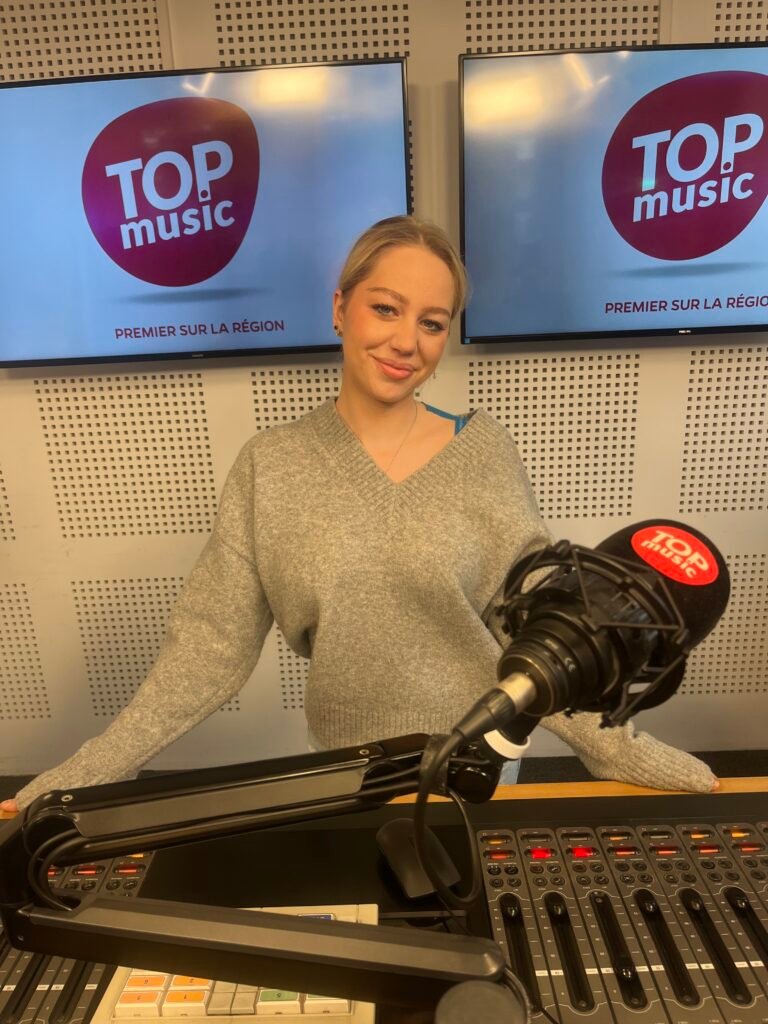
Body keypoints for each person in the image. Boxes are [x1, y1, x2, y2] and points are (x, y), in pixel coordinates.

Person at [1, 216, 718, 815]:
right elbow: (208, 650)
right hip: (342, 773)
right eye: (386, 309)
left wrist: (617, 750)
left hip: (480, 770)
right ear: (340, 307)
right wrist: (93, 769)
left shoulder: (485, 453)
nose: (407, 342)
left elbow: (543, 635)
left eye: (432, 323)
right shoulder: (270, 466)